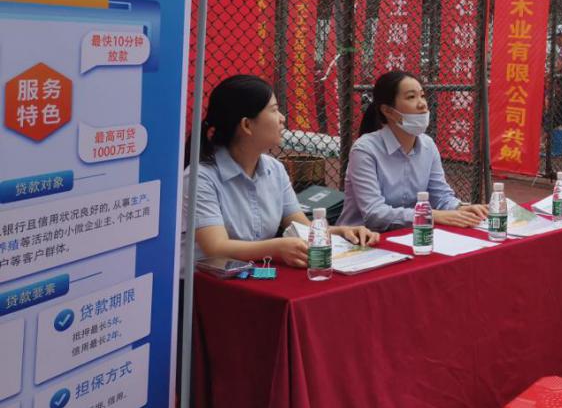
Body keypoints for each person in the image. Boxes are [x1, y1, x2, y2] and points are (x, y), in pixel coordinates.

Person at [185, 75, 378, 268]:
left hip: (253, 272)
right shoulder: (201, 177)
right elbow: (216, 248)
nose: (282, 118)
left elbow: (302, 228)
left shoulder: (274, 169)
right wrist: (276, 248)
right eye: (274, 110)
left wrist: (342, 232)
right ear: (246, 125)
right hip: (201, 281)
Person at [339, 71, 488, 230]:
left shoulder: (428, 145)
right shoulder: (365, 150)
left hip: (410, 235)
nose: (422, 104)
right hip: (360, 239)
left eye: (422, 95)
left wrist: (460, 208)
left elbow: (441, 196)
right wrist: (432, 215)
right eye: (411, 97)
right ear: (388, 111)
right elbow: (375, 214)